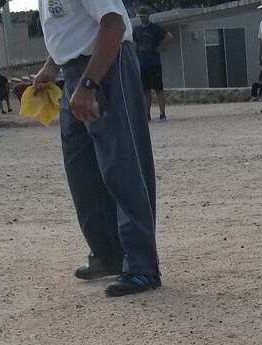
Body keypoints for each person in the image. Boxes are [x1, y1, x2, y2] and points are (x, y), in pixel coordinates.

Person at [34, 0, 161, 297]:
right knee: (82, 169)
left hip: (105, 66)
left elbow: (113, 23)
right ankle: (108, 254)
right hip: (74, 71)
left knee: (122, 163)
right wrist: (51, 66)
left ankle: (142, 265)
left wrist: (89, 84)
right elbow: (70, 26)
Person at [133, 7, 172, 122]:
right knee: (146, 91)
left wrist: (160, 47)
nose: (142, 19)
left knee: (158, 89)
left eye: (144, 16)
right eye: (140, 17)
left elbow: (169, 36)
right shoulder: (137, 30)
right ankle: (147, 115)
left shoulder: (155, 28)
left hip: (154, 64)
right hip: (142, 64)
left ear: (148, 16)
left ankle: (162, 113)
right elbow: (135, 45)